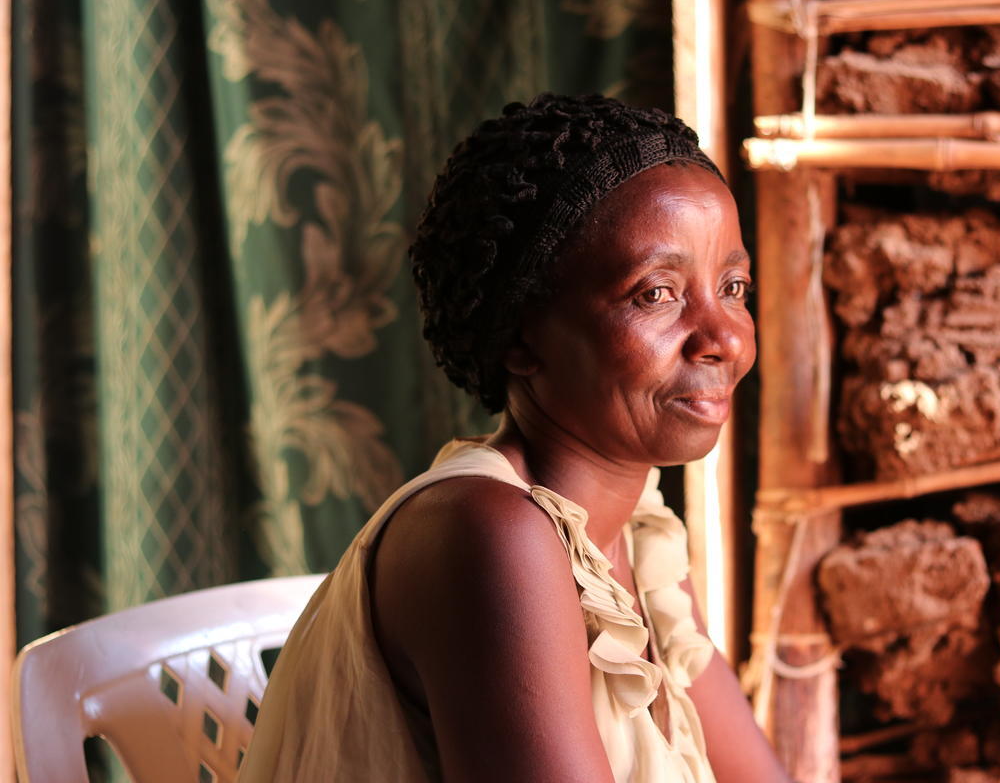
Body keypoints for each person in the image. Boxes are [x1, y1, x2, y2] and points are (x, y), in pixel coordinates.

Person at [239, 93, 792, 783]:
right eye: (656, 293)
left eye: (733, 286)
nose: (724, 338)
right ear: (524, 337)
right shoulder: (492, 534)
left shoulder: (637, 532)